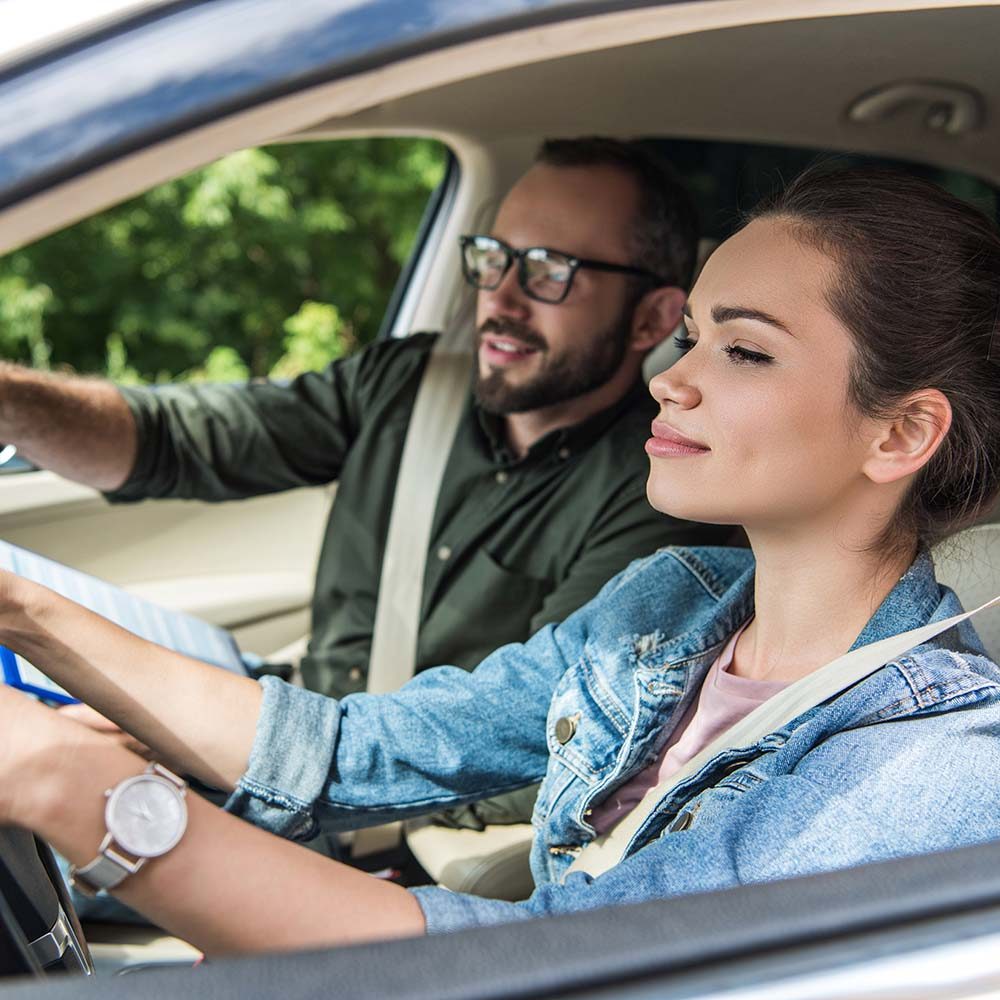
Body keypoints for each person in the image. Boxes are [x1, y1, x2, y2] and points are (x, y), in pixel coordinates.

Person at [0, 163, 998, 957]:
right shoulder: (669, 606)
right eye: (692, 338)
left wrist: (65, 782)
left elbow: (558, 964)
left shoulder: (930, 765)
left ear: (900, 434)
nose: (669, 381)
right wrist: (22, 610)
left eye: (742, 351)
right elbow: (357, 749)